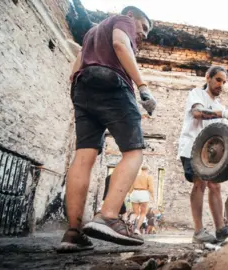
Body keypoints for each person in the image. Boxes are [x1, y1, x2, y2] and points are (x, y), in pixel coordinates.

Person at [57, 5, 157, 252]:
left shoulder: (92, 32)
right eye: (143, 27)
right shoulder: (122, 20)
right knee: (134, 152)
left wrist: (78, 96)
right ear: (131, 16)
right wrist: (143, 87)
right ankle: (109, 215)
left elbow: (76, 66)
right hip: (112, 83)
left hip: (83, 88)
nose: (143, 34)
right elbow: (120, 45)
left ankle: (73, 232)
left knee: (84, 156)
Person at [178, 65, 228, 244]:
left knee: (215, 186)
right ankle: (198, 231)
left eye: (224, 82)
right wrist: (223, 112)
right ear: (207, 77)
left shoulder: (218, 105)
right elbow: (198, 113)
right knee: (199, 184)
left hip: (209, 153)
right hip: (193, 147)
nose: (221, 85)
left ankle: (220, 230)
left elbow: (227, 130)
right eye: (218, 80)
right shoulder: (197, 94)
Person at [129, 165, 156, 235]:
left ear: (141, 170)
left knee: (135, 213)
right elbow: (151, 189)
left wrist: (129, 194)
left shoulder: (135, 176)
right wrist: (152, 196)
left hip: (134, 193)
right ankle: (137, 229)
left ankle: (130, 220)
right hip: (143, 194)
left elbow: (131, 188)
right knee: (143, 213)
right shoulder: (149, 177)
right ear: (147, 170)